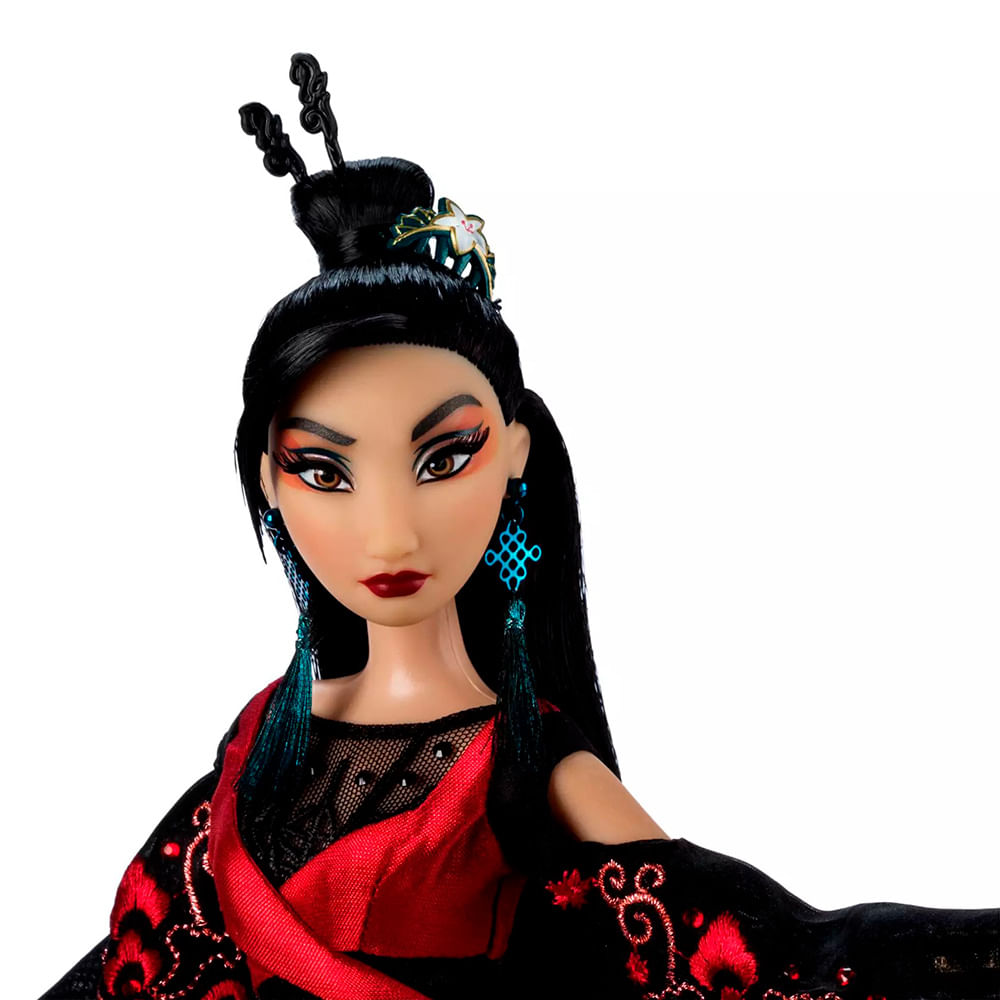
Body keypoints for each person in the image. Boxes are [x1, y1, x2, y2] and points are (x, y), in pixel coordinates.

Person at [40, 52, 999, 1000]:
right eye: (324, 471)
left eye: (441, 459)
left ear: (514, 451)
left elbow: (768, 960)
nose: (390, 533)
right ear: (269, 482)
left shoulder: (527, 766)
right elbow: (128, 964)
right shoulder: (257, 744)